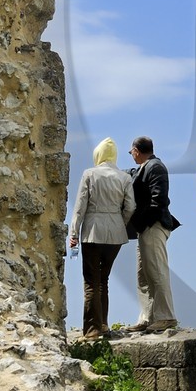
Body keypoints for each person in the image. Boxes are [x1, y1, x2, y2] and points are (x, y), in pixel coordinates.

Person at [67, 137, 136, 339]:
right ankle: (104, 324)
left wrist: (73, 234)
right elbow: (131, 206)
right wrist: (119, 223)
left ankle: (92, 330)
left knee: (91, 281)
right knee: (103, 279)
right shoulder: (124, 177)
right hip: (115, 234)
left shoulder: (90, 174)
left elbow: (80, 207)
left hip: (92, 232)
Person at [127, 135, 180, 332]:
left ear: (136, 151)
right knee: (143, 274)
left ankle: (166, 316)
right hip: (145, 227)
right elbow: (131, 175)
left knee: (157, 270)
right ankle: (147, 317)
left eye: (131, 152)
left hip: (153, 225)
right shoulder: (145, 167)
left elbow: (159, 200)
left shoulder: (156, 167)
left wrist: (144, 221)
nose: (131, 155)